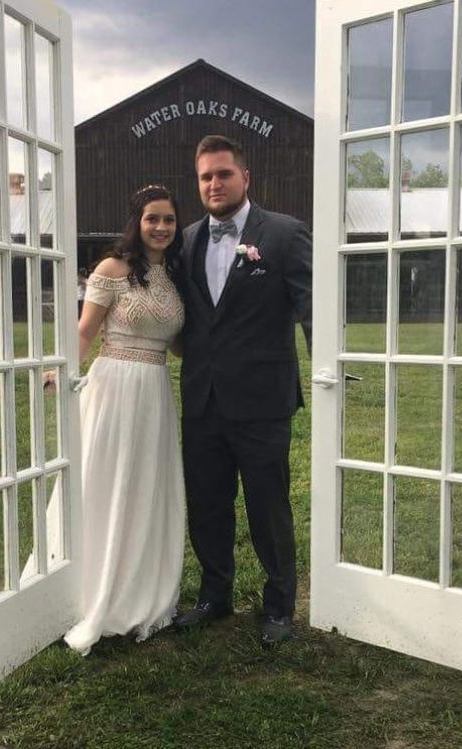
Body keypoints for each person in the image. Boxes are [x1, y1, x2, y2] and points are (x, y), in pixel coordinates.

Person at [174, 134, 312, 647]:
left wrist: (330, 369)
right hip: (203, 400)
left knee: (267, 507)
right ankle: (215, 597)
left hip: (262, 401)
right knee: (207, 504)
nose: (214, 183)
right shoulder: (185, 240)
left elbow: (313, 308)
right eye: (206, 176)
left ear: (245, 177)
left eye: (224, 173)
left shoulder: (283, 234)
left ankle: (279, 606)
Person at [58, 185, 186, 655]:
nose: (161, 227)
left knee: (145, 485)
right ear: (137, 222)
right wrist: (63, 370)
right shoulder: (113, 269)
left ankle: (138, 585)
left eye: (169, 219)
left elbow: (177, 343)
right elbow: (85, 331)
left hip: (154, 389)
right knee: (106, 480)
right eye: (153, 218)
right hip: (113, 386)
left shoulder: (175, 276)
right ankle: (88, 588)